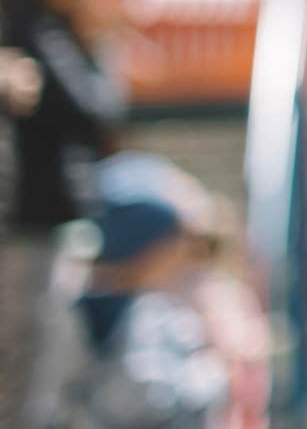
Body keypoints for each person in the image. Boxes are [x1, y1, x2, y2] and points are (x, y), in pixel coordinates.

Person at [2, 0, 130, 424]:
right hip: (30, 216)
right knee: (30, 361)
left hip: (44, 215)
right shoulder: (34, 29)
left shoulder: (49, 31)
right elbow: (94, 112)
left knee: (49, 360)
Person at [54, 151, 231, 428]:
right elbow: (144, 395)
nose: (181, 260)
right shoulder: (84, 306)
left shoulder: (150, 306)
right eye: (178, 246)